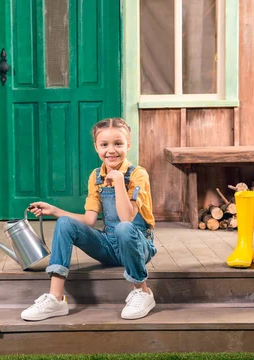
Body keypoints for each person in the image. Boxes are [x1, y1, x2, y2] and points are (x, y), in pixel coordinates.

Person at [22, 118, 157, 321]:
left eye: (118, 143)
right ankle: (55, 298)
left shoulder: (138, 175)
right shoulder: (96, 177)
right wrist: (55, 210)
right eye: (104, 145)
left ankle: (143, 292)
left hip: (138, 245)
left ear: (128, 145)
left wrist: (119, 181)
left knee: (123, 228)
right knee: (65, 223)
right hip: (109, 247)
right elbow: (89, 220)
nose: (111, 150)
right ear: (96, 147)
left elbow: (127, 218)